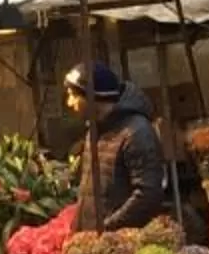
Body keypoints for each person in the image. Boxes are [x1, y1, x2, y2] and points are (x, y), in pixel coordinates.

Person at [67, 61, 172, 230]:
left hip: (119, 243)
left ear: (93, 97)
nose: (69, 102)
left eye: (73, 95)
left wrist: (107, 228)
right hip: (94, 241)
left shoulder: (137, 132)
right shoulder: (94, 130)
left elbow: (148, 195)